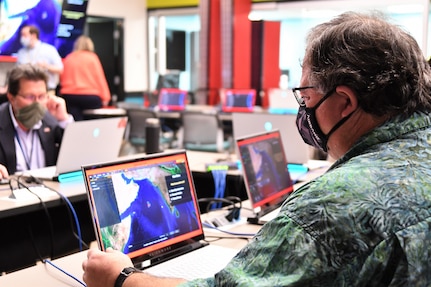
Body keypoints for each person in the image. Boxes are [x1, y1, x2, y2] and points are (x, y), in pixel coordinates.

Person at [82, 11, 431, 287]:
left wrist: (119, 277)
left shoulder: (332, 207)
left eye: (307, 97)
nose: (304, 111)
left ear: (344, 102)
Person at [0, 64, 73, 179]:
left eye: (42, 96)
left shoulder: (51, 122)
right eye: (30, 97)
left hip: (49, 193)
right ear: (11, 98)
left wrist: (63, 119)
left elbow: (75, 156)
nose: (37, 103)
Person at [60, 35, 111, 120]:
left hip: (70, 97)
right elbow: (99, 78)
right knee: (92, 124)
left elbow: (62, 77)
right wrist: (106, 97)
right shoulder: (92, 58)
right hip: (90, 97)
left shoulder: (69, 58)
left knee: (75, 122)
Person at [16, 24, 63, 93]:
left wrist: (46, 66)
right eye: (21, 35)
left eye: (24, 35)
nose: (22, 38)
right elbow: (17, 72)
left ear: (33, 35)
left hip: (47, 91)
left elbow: (60, 69)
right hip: (26, 91)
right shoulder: (21, 52)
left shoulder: (49, 49)